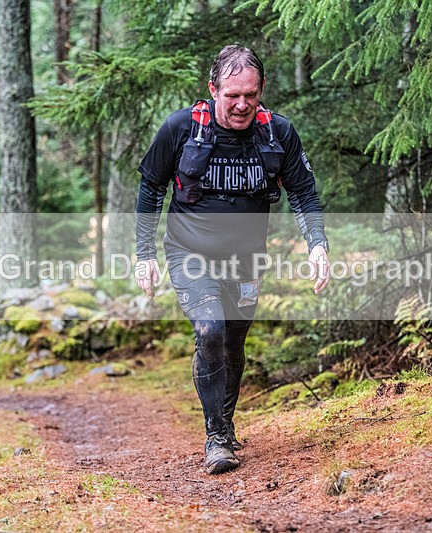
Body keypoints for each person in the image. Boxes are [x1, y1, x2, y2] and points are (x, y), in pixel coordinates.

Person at [134, 44, 329, 475]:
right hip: (190, 252)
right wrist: (144, 254)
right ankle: (217, 436)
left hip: (246, 259)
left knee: (233, 344)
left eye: (251, 95)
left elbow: (303, 192)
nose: (242, 105)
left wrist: (317, 244)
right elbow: (151, 188)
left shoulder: (277, 133)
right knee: (211, 330)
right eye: (232, 95)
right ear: (213, 89)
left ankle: (225, 423)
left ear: (262, 90)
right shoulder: (181, 128)